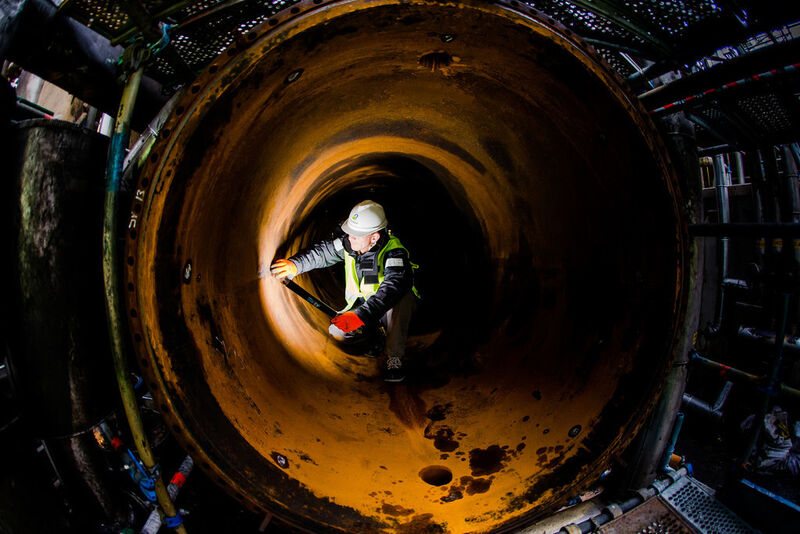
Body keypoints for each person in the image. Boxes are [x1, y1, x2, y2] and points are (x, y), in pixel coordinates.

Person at [270, 200, 419, 382]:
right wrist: (295, 265)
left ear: (374, 237)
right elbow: (323, 253)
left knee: (400, 300)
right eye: (349, 233)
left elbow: (393, 287)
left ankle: (394, 357)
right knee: (338, 332)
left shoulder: (394, 253)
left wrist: (360, 316)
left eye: (356, 235)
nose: (349, 238)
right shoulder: (350, 245)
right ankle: (373, 340)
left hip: (388, 307)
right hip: (364, 306)